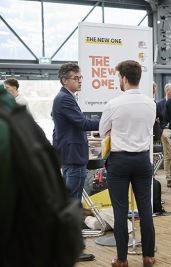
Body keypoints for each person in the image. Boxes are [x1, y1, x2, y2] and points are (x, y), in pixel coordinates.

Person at [99, 60, 156, 267]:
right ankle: (148, 256)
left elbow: (102, 129)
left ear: (123, 78)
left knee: (120, 211)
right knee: (146, 210)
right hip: (142, 160)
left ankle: (122, 259)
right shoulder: (151, 103)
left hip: (120, 161)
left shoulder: (113, 104)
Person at [52, 63, 99, 262]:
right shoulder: (64, 99)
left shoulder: (65, 98)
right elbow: (82, 123)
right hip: (72, 156)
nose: (80, 80)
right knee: (73, 204)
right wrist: (110, 119)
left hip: (70, 154)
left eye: (81, 77)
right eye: (76, 77)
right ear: (65, 80)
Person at [157, 83, 171, 187]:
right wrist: (162, 128)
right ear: (167, 91)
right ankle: (169, 177)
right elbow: (157, 118)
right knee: (168, 154)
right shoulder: (160, 104)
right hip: (165, 130)